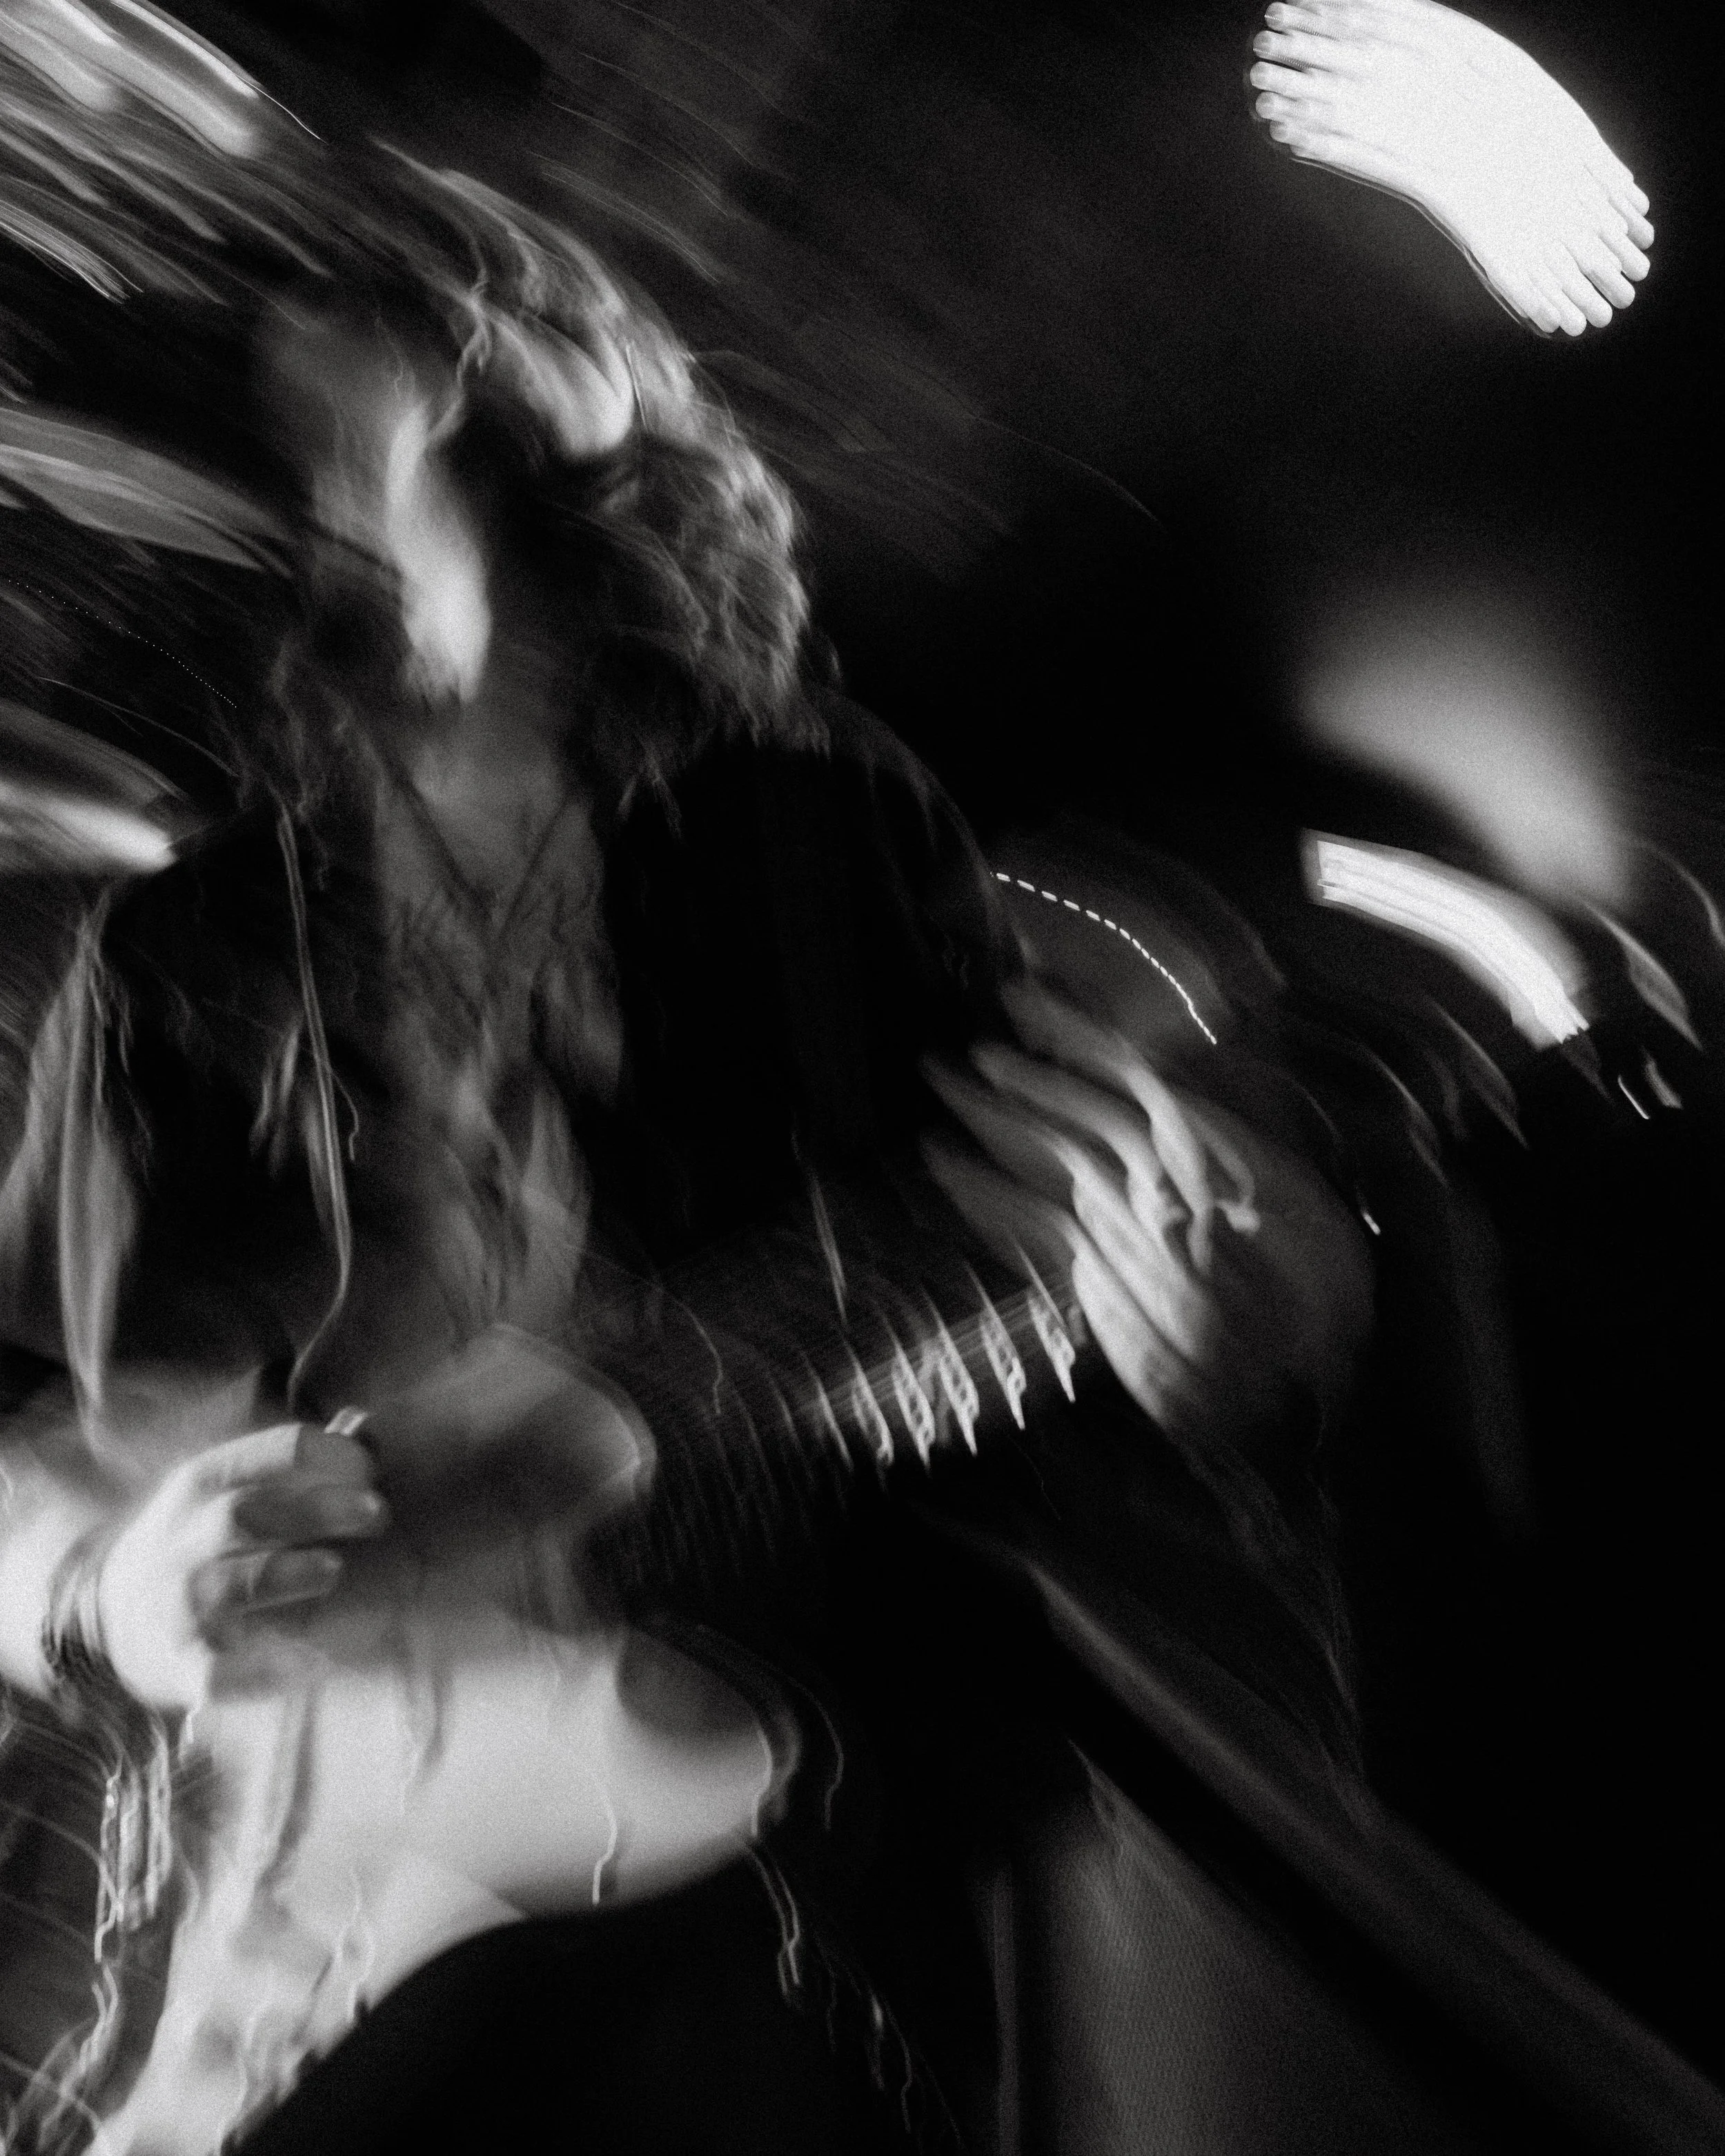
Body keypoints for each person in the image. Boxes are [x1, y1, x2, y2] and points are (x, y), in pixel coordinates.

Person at [0, 107, 1375, 2156]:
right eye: (328, 430)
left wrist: (1239, 1335)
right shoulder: (184, 953)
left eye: (445, 391)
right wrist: (105, 1590)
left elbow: (1021, 1265)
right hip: (271, 1850)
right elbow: (63, 1446)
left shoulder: (826, 848)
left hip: (714, 1853)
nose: (367, 465)